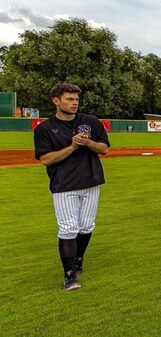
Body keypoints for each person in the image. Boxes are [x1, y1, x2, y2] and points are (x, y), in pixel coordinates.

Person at [34, 82, 110, 291]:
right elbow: (46, 159)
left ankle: (78, 259)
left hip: (91, 180)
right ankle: (69, 277)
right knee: (68, 228)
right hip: (64, 184)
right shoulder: (45, 129)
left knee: (87, 226)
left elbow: (104, 149)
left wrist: (88, 143)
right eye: (69, 99)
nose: (74, 103)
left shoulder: (90, 121)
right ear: (56, 101)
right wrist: (73, 146)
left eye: (76, 99)